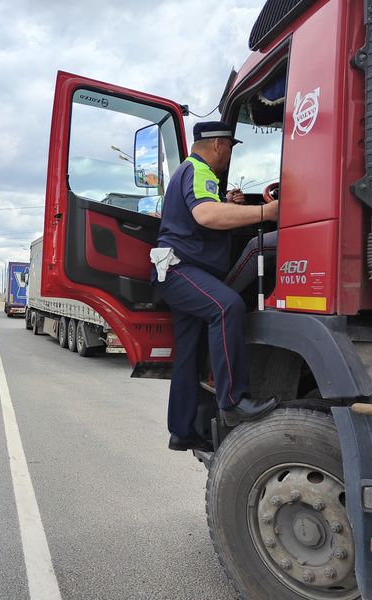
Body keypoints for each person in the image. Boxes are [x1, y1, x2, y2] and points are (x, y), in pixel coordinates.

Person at [151, 121, 280, 452]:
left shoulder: (191, 171)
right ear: (219, 145)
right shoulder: (200, 169)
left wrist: (230, 205)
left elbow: (206, 214)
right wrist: (266, 211)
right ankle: (234, 400)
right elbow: (206, 215)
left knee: (189, 354)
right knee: (227, 306)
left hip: (177, 269)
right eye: (231, 148)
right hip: (181, 269)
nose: (229, 154)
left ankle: (181, 431)